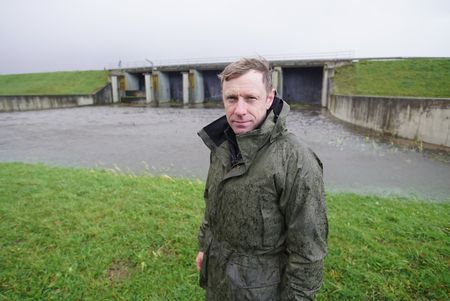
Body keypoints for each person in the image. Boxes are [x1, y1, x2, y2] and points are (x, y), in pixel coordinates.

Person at [196, 57, 328, 300]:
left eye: (250, 98)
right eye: (231, 98)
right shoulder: (222, 145)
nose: (239, 110)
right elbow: (211, 203)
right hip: (217, 281)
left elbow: (308, 250)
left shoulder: (295, 159)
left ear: (269, 98)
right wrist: (206, 246)